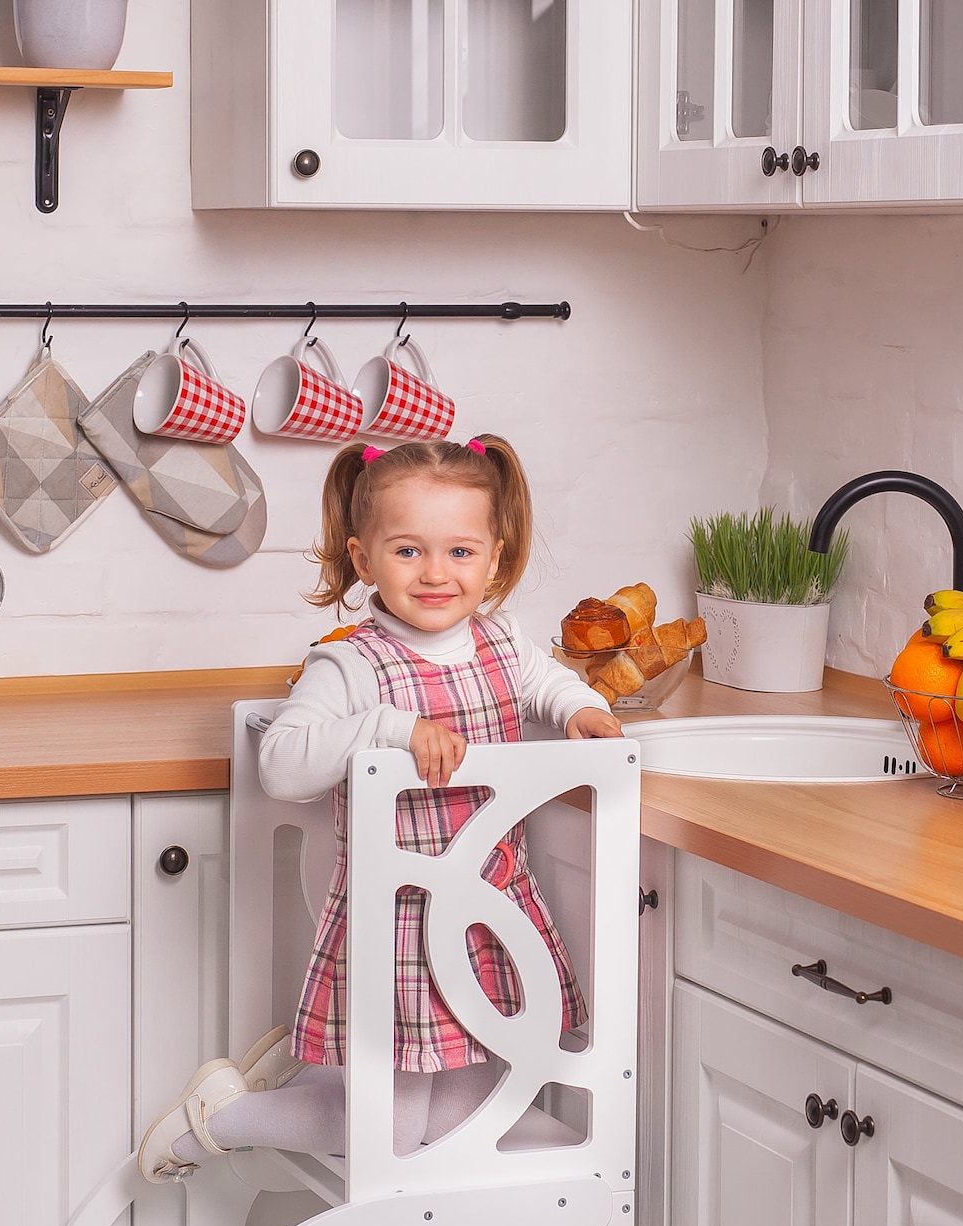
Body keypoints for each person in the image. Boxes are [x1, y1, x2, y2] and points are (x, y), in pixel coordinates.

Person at [139, 434, 623, 1179]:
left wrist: (581, 710)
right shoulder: (353, 662)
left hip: (492, 913)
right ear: (364, 560)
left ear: (495, 557)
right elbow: (282, 762)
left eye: (461, 552)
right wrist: (388, 730)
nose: (436, 573)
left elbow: (546, 684)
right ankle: (221, 1118)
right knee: (390, 1134)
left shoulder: (502, 642)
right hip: (402, 925)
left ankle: (308, 1083)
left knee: (465, 1117)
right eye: (408, 552)